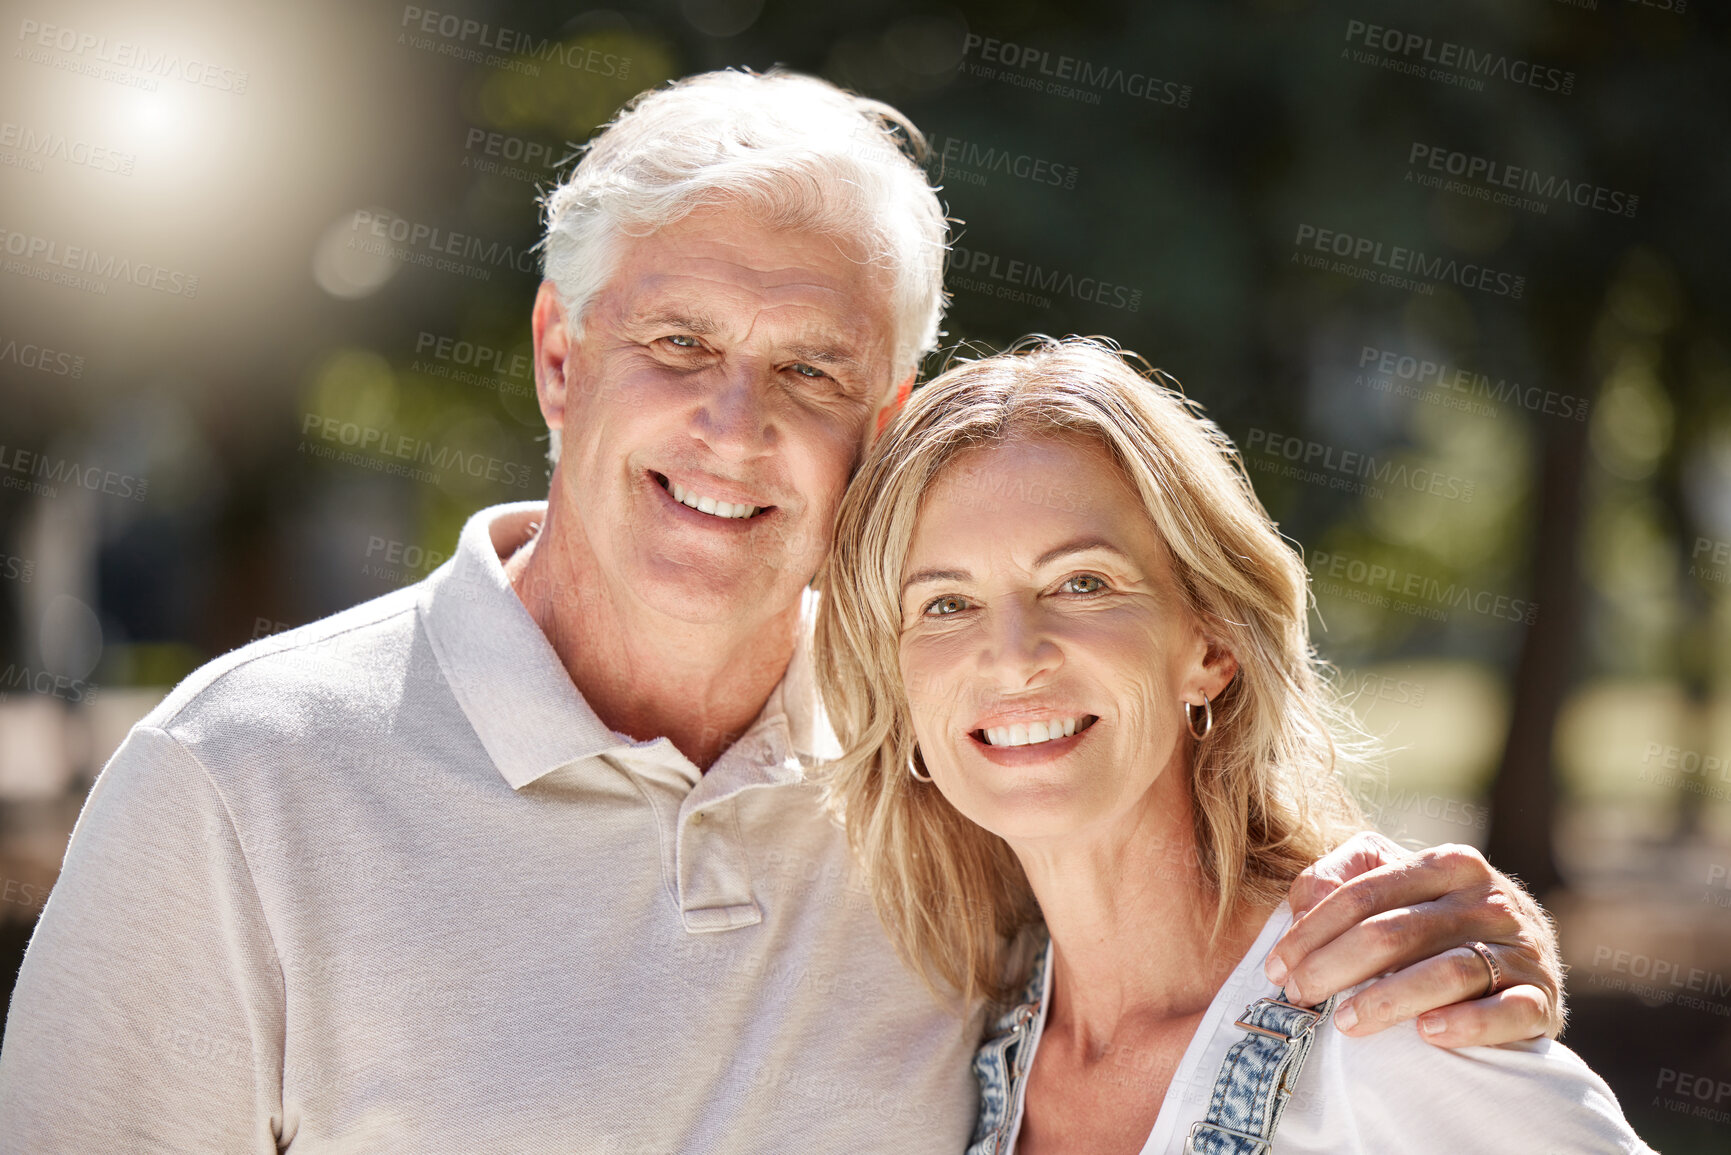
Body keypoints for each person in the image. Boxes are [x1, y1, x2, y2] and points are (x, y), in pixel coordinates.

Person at [1, 73, 1562, 1151]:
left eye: (809, 369)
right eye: (675, 342)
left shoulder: (951, 764)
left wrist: (1451, 946)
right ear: (558, 357)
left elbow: (1202, 912)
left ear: (877, 424)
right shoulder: (234, 784)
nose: (732, 425)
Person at [815, 337, 1653, 1154]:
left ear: (1210, 651)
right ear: (899, 684)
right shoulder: (955, 1041)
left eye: (1082, 582)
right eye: (945, 603)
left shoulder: (1393, 1026)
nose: (1012, 655)